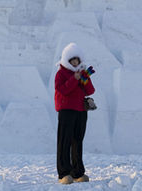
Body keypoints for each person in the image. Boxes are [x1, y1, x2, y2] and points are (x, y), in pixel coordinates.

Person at [54, 42, 95, 185]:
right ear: (67, 60)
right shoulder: (61, 73)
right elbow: (62, 90)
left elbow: (90, 91)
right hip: (66, 110)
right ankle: (64, 173)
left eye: (77, 60)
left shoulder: (82, 74)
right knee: (64, 141)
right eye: (72, 60)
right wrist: (74, 79)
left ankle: (77, 172)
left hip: (80, 110)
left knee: (78, 141)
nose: (75, 63)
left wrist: (85, 79)